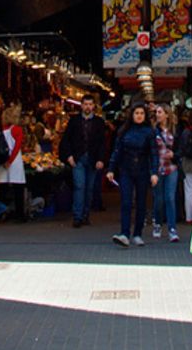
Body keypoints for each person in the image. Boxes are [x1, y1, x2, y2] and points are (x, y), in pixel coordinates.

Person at [106, 103, 159, 247]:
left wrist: (154, 172)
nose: (139, 116)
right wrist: (111, 169)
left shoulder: (149, 132)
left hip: (142, 170)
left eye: (142, 113)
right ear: (132, 115)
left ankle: (137, 233)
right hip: (126, 170)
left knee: (141, 202)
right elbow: (117, 151)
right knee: (126, 201)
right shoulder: (123, 131)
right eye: (136, 113)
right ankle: (124, 233)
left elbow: (154, 153)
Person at [59, 93, 108, 228]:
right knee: (79, 186)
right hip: (78, 158)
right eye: (85, 104)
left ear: (94, 106)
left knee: (89, 188)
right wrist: (69, 156)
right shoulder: (74, 121)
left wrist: (101, 159)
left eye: (90, 104)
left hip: (92, 159)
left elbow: (102, 142)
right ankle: (78, 216)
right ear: (81, 105)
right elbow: (66, 139)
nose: (88, 107)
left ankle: (85, 214)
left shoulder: (99, 122)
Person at [151, 103, 181, 241]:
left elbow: (181, 149)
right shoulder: (153, 131)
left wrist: (174, 154)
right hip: (158, 168)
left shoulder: (175, 131)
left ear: (167, 114)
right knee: (159, 199)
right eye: (157, 112)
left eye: (160, 112)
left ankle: (172, 228)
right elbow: (150, 150)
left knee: (170, 198)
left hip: (171, 168)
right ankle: (157, 223)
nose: (158, 115)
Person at [0, 104, 27, 222]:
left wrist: (5, 161)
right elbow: (17, 147)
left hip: (3, 161)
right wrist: (10, 160)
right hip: (15, 162)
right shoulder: (17, 130)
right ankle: (20, 214)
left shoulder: (1, 130)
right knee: (18, 189)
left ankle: (0, 213)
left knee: (2, 189)